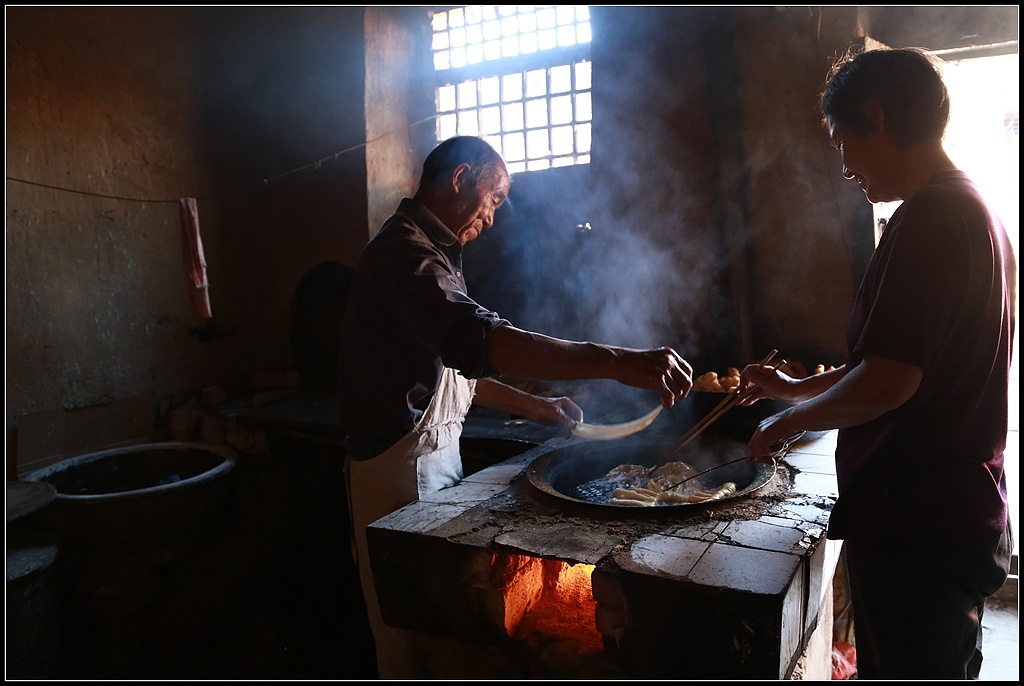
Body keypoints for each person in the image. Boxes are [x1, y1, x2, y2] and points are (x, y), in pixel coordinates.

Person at [337, 134, 694, 677]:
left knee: (450, 623)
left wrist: (538, 409)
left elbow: (457, 374)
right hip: (399, 473)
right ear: (459, 179)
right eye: (494, 197)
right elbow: (479, 341)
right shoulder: (403, 253)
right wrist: (617, 359)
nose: (494, 217)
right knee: (416, 640)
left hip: (433, 461)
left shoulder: (434, 253)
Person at [739, 47, 1015, 680]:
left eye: (842, 143)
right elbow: (886, 362)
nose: (844, 166)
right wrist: (793, 390)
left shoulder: (933, 218)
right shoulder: (976, 210)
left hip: (919, 523)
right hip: (949, 514)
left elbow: (891, 382)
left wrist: (788, 423)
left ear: (877, 117)